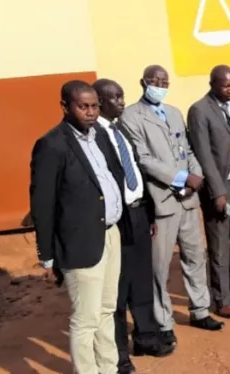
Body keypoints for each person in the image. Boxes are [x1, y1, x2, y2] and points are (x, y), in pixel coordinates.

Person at [30, 80, 133, 374]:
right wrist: (47, 255)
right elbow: (43, 204)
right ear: (65, 106)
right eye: (83, 106)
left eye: (94, 106)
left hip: (110, 234)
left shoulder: (99, 134)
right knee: (86, 318)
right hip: (79, 243)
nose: (90, 112)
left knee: (106, 310)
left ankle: (109, 369)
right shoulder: (51, 145)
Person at [120, 65, 223, 348]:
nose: (160, 85)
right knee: (159, 267)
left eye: (164, 82)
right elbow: (143, 159)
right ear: (143, 83)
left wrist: (196, 175)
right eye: (155, 81)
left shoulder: (174, 113)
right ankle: (163, 322)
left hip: (189, 199)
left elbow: (188, 150)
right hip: (162, 202)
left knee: (195, 257)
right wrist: (180, 178)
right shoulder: (131, 117)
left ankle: (200, 310)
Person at [93, 79, 174, 373]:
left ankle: (146, 337)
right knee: (118, 289)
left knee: (141, 281)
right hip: (119, 220)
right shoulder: (94, 136)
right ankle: (119, 355)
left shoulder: (118, 131)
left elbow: (135, 171)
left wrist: (149, 214)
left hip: (140, 214)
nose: (121, 101)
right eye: (114, 97)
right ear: (99, 101)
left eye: (122, 96)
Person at [187, 65, 230, 319]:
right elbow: (203, 154)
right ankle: (221, 298)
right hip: (220, 188)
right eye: (226, 85)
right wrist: (217, 191)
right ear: (212, 83)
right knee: (219, 244)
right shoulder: (199, 110)